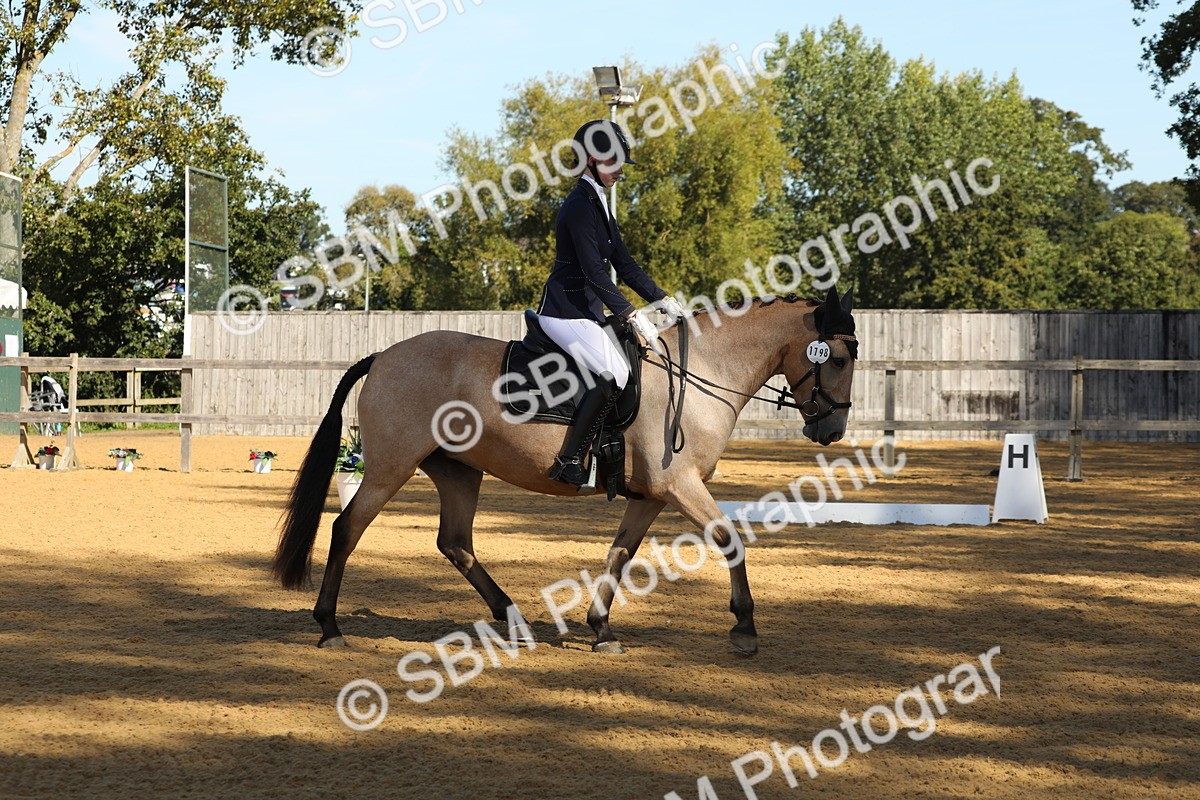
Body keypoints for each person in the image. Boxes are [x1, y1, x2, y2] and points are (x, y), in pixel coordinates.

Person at [536, 119, 684, 486]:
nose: (619, 170)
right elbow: (593, 273)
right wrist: (630, 313)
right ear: (590, 160)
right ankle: (569, 461)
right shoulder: (578, 206)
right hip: (564, 312)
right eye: (613, 162)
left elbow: (625, 264)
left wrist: (664, 299)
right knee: (614, 375)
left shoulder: (598, 203)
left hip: (587, 312)